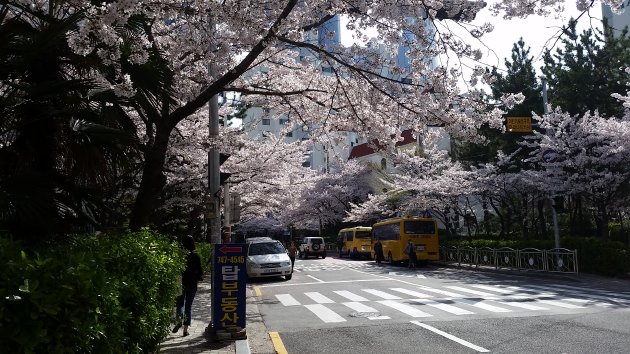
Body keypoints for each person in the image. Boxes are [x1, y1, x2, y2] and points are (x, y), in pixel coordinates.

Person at [172, 235, 203, 337]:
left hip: (180, 282)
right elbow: (200, 272)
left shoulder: (179, 256)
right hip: (192, 283)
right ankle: (185, 330)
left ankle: (178, 321)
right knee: (188, 307)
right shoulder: (196, 256)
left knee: (179, 304)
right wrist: (198, 277)